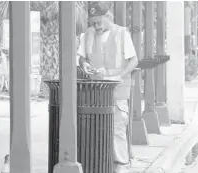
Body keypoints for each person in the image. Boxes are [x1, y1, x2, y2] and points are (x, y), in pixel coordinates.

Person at [77, 2, 138, 173]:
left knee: (117, 129)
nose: (95, 26)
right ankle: (101, 165)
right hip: (96, 92)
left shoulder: (121, 33)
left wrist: (119, 75)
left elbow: (134, 61)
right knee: (96, 129)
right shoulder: (88, 34)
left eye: (98, 22)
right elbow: (81, 58)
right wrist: (84, 65)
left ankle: (121, 166)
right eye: (92, 23)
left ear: (108, 17)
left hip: (118, 92)